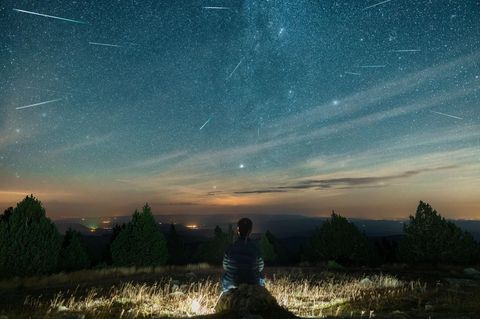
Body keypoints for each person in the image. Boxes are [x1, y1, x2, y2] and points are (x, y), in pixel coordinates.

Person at [221, 217, 265, 292]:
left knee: (224, 277)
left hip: (232, 283)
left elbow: (225, 266)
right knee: (261, 277)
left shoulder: (230, 248)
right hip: (253, 282)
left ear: (238, 230)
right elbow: (260, 267)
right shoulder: (256, 247)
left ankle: (226, 294)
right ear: (250, 231)